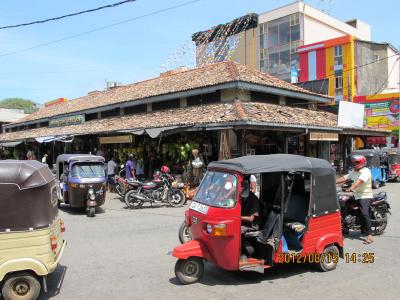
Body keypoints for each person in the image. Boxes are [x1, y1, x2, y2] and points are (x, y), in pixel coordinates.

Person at [336, 155, 374, 244]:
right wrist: (332, 181)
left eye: (356, 162)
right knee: (342, 206)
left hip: (364, 196)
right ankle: (345, 228)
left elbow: (359, 181)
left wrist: (351, 188)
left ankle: (370, 235)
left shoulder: (365, 171)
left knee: (364, 213)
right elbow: (345, 178)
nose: (354, 164)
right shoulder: (354, 171)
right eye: (353, 162)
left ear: (362, 163)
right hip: (355, 195)